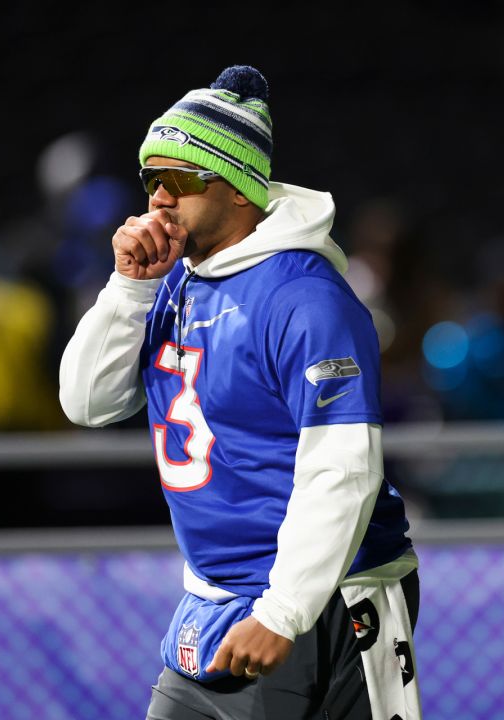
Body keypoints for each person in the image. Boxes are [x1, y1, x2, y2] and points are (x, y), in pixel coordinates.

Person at [59, 66, 422, 719]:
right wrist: (130, 287)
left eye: (180, 180)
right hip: (212, 597)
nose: (159, 199)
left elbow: (343, 471)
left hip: (321, 601)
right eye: (150, 181)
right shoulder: (175, 280)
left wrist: (284, 611)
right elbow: (86, 402)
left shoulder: (304, 297)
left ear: (237, 189)